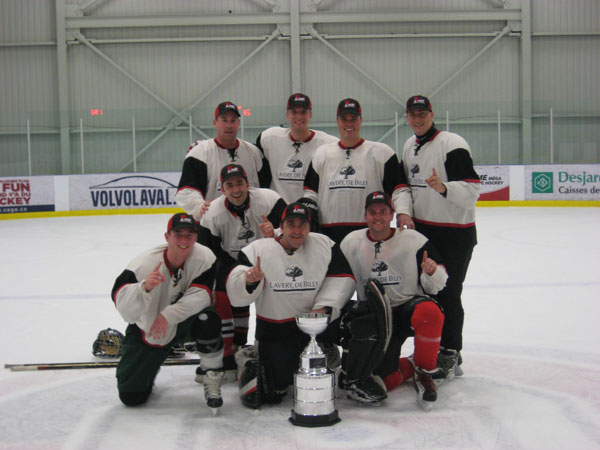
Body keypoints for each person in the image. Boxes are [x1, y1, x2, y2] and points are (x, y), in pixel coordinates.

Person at [225, 202, 358, 408]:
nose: (297, 230)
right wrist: (249, 280)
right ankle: (249, 356)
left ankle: (333, 356)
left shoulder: (325, 245)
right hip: (276, 331)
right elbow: (236, 295)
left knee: (357, 317)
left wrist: (324, 307)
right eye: (291, 224)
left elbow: (343, 278)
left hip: (315, 327)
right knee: (276, 391)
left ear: (310, 227)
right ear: (281, 226)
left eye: (302, 225)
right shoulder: (257, 250)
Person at [395, 95, 481, 380]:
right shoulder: (410, 145)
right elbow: (407, 188)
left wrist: (443, 188)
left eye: (423, 113)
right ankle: (430, 348)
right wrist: (405, 213)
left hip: (454, 233)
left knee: (449, 293)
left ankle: (451, 351)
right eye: (413, 114)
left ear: (432, 114)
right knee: (427, 293)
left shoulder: (451, 143)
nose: (417, 119)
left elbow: (471, 191)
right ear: (407, 117)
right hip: (423, 233)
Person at [340, 191, 448, 409]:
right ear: (365, 215)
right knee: (384, 382)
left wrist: (431, 272)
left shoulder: (414, 240)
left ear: (392, 214)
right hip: (376, 317)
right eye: (372, 212)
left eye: (383, 212)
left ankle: (425, 371)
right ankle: (410, 365)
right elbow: (341, 280)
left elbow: (438, 284)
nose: (378, 217)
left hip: (407, 308)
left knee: (429, 312)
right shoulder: (351, 242)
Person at [111, 213, 224, 411]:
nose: (184, 241)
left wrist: (167, 315)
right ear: (167, 236)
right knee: (131, 396)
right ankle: (151, 362)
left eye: (189, 235)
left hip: (181, 323)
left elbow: (201, 296)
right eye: (178, 235)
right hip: (150, 330)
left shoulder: (205, 258)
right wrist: (144, 288)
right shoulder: (143, 265)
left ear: (195, 237)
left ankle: (211, 376)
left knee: (207, 318)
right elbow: (126, 311)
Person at [197, 163, 287, 379]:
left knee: (276, 298)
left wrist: (275, 232)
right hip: (231, 261)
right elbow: (206, 254)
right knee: (223, 293)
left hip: (267, 258)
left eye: (240, 183)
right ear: (222, 189)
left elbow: (293, 231)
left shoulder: (269, 199)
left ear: (248, 184)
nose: (236, 190)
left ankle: (268, 344)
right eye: (230, 185)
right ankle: (231, 349)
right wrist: (210, 285)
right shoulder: (213, 213)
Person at [303, 98, 406, 244]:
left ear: (360, 120)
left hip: (371, 232)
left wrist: (403, 212)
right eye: (344, 119)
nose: (349, 124)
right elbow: (310, 193)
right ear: (337, 121)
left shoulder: (382, 153)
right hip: (329, 233)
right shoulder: (322, 153)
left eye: (353, 119)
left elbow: (398, 190)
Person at [176, 101, 269, 220]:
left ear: (238, 123)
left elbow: (266, 188)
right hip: (214, 223)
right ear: (215, 123)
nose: (229, 125)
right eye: (224, 120)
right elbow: (186, 190)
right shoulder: (199, 154)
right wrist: (199, 206)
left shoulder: (253, 152)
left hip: (251, 223)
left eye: (233, 120)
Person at [255, 93, 337, 203]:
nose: (299, 117)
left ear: (310, 115)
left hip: (309, 209)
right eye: (294, 112)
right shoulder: (269, 138)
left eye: (303, 112)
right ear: (287, 115)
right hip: (278, 209)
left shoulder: (327, 144)